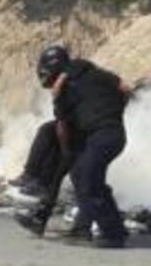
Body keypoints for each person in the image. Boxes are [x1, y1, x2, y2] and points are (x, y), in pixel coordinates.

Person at [40, 45, 134, 249]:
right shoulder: (93, 73)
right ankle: (86, 228)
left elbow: (62, 129)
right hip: (110, 133)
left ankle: (113, 234)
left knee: (87, 178)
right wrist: (117, 111)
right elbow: (126, 89)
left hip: (103, 135)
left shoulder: (64, 90)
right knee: (85, 177)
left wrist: (66, 152)